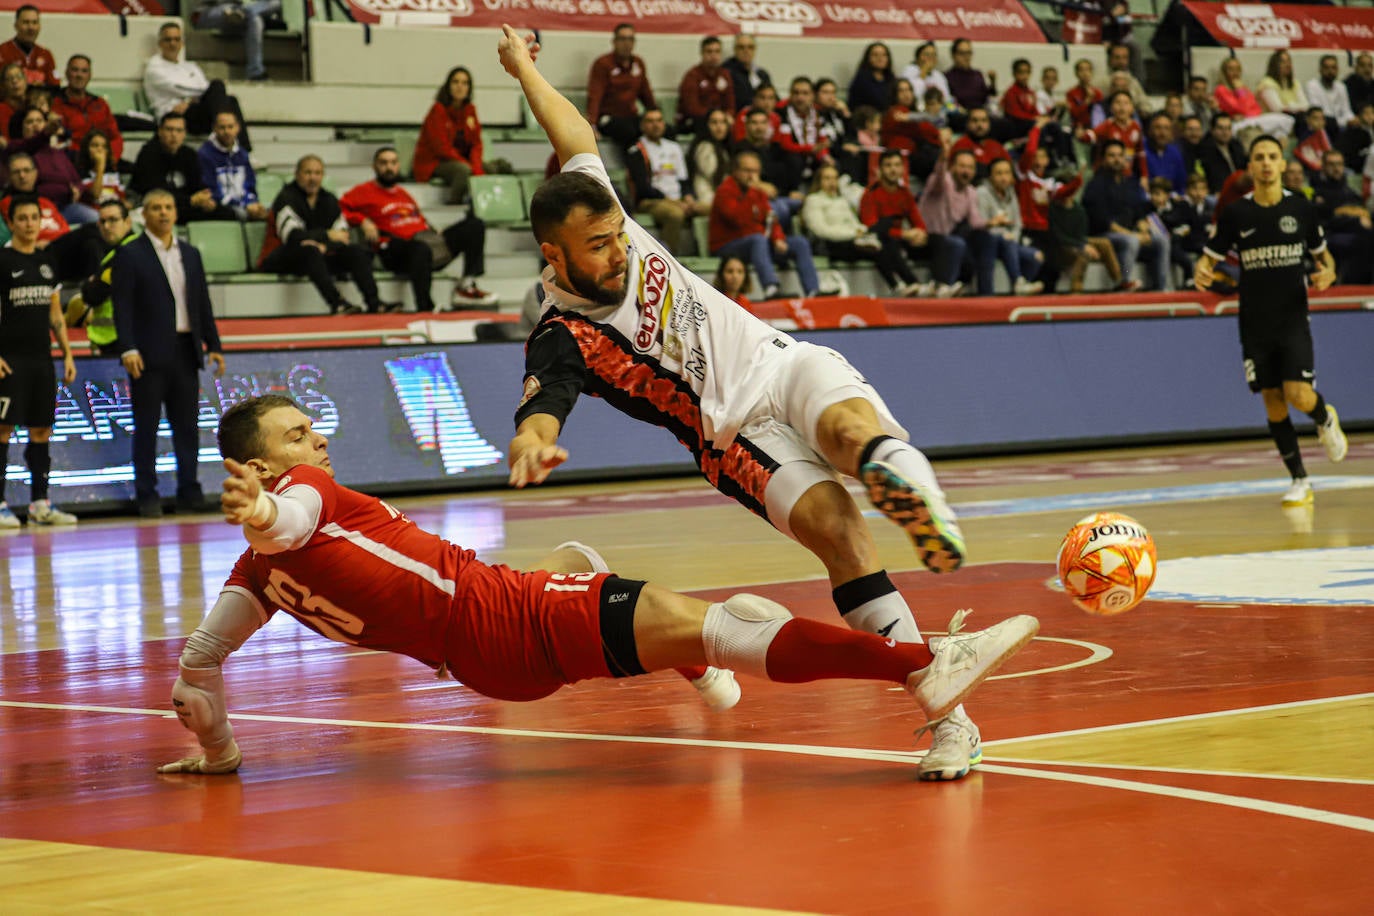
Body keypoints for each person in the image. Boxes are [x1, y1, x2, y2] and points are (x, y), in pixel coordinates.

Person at [499, 26, 985, 781]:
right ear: (553, 255)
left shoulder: (602, 209)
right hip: (733, 437)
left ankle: (916, 493)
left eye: (618, 237)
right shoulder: (563, 338)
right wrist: (533, 440)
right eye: (598, 248)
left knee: (848, 428)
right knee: (842, 536)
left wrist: (524, 68)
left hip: (777, 361)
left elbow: (574, 131)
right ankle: (949, 716)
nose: (619, 253)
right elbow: (542, 408)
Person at [156, 393, 1039, 775]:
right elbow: (291, 519)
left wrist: (220, 753)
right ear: (259, 466)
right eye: (297, 435)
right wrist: (263, 509)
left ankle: (680, 649)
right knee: (724, 626)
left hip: (484, 666)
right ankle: (924, 666)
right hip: (506, 617)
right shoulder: (302, 496)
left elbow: (198, 667)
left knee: (680, 624)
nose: (317, 443)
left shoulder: (255, 575)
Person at [1195, 134, 1347, 509]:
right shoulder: (1237, 213)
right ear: (1250, 167)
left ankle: (1324, 417)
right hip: (1254, 322)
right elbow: (1209, 257)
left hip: (1292, 318)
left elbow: (1324, 258)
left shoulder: (1301, 208)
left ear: (1282, 164)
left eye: (1272, 157)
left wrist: (1328, 273)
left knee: (1298, 394)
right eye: (1259, 157)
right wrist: (1202, 270)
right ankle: (1299, 480)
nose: (1266, 163)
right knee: (1273, 402)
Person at [111, 189, 227, 518]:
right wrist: (128, 347)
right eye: (156, 208)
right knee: (147, 426)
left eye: (168, 207)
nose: (163, 213)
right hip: (147, 353)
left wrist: (214, 344)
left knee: (187, 427)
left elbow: (201, 302)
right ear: (144, 214)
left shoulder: (190, 253)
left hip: (186, 350)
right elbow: (122, 306)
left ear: (176, 213)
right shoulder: (130, 254)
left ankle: (189, 491)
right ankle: (146, 494)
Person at [340, 146, 496, 312]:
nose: (389, 167)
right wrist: (363, 221)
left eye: (393, 163)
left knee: (474, 225)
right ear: (374, 167)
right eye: (383, 163)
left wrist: (431, 230)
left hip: (426, 243)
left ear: (398, 166)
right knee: (420, 248)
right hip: (394, 249)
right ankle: (425, 306)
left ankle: (466, 286)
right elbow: (340, 209)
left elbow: (416, 217)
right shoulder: (363, 191)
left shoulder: (403, 193)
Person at [0, 196, 77, 529]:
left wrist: (67, 353)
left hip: (41, 360)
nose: (30, 223)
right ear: (11, 223)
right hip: (10, 361)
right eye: (23, 218)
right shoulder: (3, 260)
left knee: (42, 429)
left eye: (34, 217)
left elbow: (56, 314)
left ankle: (40, 504)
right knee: (3, 429)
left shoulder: (47, 261)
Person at [259, 154, 398, 316]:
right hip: (283, 257)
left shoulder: (329, 199)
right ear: (297, 174)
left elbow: (343, 236)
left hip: (319, 256)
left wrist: (325, 245)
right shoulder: (286, 197)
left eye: (317, 173)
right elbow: (292, 237)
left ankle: (375, 303)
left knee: (356, 251)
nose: (313, 178)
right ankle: (337, 303)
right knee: (309, 250)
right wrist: (326, 235)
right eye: (308, 173)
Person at [708, 148, 822, 299]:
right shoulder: (725, 191)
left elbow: (770, 218)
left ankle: (813, 291)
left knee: (800, 243)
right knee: (758, 239)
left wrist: (778, 238)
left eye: (755, 171)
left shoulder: (757, 192)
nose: (752, 176)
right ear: (735, 171)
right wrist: (752, 192)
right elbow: (738, 220)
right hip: (727, 245)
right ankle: (771, 288)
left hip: (757, 244)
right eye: (747, 171)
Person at [143, 21, 253, 151]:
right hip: (174, 117)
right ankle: (229, 140)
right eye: (168, 40)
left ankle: (243, 151)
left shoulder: (190, 67)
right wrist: (193, 99)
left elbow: (205, 91)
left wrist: (188, 101)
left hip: (194, 112)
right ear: (160, 43)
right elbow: (185, 89)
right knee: (217, 85)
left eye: (177, 39)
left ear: (182, 43)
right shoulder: (154, 68)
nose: (172, 43)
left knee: (230, 100)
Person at [857, 151, 954, 298]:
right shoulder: (870, 194)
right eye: (888, 165)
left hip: (902, 240)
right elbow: (872, 230)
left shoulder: (904, 193)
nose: (893, 169)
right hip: (885, 242)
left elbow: (917, 221)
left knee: (939, 241)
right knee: (887, 240)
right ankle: (913, 283)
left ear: (903, 169)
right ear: (880, 169)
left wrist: (919, 233)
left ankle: (940, 285)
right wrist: (903, 234)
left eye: (897, 165)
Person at [1082, 138, 1169, 291]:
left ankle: (1160, 287)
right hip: (1104, 235)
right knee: (1131, 241)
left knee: (1160, 240)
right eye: (1112, 156)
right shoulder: (1095, 185)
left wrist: (1143, 227)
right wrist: (1131, 234)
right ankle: (1124, 281)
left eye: (1120, 155)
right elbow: (1101, 220)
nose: (1117, 160)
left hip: (1129, 233)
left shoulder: (1130, 183)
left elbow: (1138, 210)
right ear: (1103, 159)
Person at [625, 107, 702, 255]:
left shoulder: (674, 147)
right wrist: (673, 202)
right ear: (642, 126)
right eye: (650, 121)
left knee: (709, 208)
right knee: (675, 214)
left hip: (678, 199)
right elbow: (643, 188)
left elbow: (684, 179)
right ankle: (668, 258)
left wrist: (688, 197)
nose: (656, 125)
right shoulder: (637, 149)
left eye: (659, 120)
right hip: (651, 201)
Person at [130, 112, 233, 223]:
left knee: (227, 214)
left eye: (179, 130)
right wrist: (190, 200)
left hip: (186, 206)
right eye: (169, 130)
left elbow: (198, 184)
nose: (174, 135)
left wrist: (205, 199)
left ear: (184, 134)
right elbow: (154, 190)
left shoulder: (189, 154)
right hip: (158, 206)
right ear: (160, 131)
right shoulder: (148, 154)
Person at [67, 198, 137, 356]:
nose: (106, 226)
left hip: (121, 340)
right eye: (102, 221)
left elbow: (93, 294)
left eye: (113, 220)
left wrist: (89, 284)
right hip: (114, 338)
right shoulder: (115, 253)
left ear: (127, 222)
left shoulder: (126, 254)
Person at [799, 162, 886, 289]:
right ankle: (897, 284)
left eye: (835, 178)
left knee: (885, 240)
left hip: (851, 241)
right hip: (828, 244)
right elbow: (821, 230)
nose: (832, 182)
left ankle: (899, 283)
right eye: (827, 178)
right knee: (873, 248)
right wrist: (853, 234)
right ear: (819, 181)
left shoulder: (842, 200)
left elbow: (854, 223)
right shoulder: (813, 200)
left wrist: (863, 231)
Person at [413, 66, 487, 205]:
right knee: (463, 171)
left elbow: (476, 144)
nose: (460, 86)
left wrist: (476, 166)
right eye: (455, 82)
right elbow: (441, 148)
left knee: (497, 167)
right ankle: (455, 205)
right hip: (435, 162)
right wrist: (469, 165)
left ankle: (486, 206)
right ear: (448, 86)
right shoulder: (438, 110)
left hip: (460, 160)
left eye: (465, 83)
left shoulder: (470, 110)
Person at [919, 138, 984, 293]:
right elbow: (939, 178)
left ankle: (967, 290)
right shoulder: (942, 182)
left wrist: (993, 223)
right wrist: (942, 159)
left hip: (945, 239)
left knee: (973, 247)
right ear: (952, 167)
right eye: (962, 166)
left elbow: (975, 221)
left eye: (970, 167)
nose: (966, 171)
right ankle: (943, 286)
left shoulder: (971, 192)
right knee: (956, 243)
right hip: (924, 237)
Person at [11, 106, 95, 226]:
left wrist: (78, 189)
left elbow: (77, 180)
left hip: (66, 207)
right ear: (21, 127)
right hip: (38, 209)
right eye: (30, 122)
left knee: (96, 219)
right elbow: (33, 143)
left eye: (39, 121)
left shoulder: (58, 153)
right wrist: (45, 134)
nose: (35, 125)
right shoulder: (20, 150)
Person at [975, 158, 1044, 296]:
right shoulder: (981, 192)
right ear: (990, 176)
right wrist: (1003, 234)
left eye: (1007, 173)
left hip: (1009, 244)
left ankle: (1020, 290)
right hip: (987, 242)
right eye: (999, 173)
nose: (1003, 178)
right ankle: (1018, 282)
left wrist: (1013, 237)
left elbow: (1017, 223)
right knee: (1006, 240)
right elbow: (982, 224)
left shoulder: (1011, 193)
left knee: (1036, 256)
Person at [1308, 148, 1373, 286]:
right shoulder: (1316, 191)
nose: (1336, 168)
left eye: (1339, 164)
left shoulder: (1349, 190)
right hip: (1330, 235)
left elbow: (1363, 211)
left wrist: (1348, 213)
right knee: (1362, 240)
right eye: (1331, 164)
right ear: (1323, 166)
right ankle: (1352, 284)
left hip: (1357, 233)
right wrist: (1355, 219)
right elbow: (1326, 218)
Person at [585, 23, 656, 151]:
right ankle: (636, 159)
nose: (626, 43)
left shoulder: (638, 63)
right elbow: (595, 96)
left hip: (631, 116)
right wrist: (592, 125)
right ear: (614, 41)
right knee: (628, 131)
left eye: (630, 39)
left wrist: (656, 115)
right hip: (608, 118)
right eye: (623, 39)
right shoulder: (603, 64)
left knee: (663, 129)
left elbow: (646, 93)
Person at [1047, 189, 1127, 293]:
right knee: (1084, 253)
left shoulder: (1079, 210)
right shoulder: (1053, 210)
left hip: (1077, 241)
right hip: (1061, 246)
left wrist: (1084, 244)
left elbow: (1081, 235)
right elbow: (1057, 236)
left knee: (1105, 243)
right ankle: (1076, 289)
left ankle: (1119, 281)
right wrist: (1083, 246)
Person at [51, 55, 124, 165]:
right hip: (71, 160)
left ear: (90, 75)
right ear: (66, 73)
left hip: (103, 159)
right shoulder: (55, 104)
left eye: (84, 71)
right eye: (75, 70)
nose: (79, 75)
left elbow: (115, 137)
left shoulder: (100, 104)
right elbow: (57, 141)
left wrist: (112, 157)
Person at [189, 0, 284, 83]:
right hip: (208, 12)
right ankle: (245, 11)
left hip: (237, 11)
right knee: (252, 15)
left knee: (267, 9)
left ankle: (255, 73)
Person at [197, 110, 266, 223]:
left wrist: (252, 203)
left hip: (244, 206)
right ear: (214, 129)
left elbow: (250, 186)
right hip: (222, 209)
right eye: (222, 127)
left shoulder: (243, 154)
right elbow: (211, 191)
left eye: (230, 127)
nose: (227, 131)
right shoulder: (205, 155)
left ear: (238, 128)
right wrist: (245, 206)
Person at [1214, 57, 1292, 142]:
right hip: (1235, 124)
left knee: (1280, 132)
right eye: (1231, 69)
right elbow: (1242, 108)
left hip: (1251, 119)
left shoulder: (1242, 87)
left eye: (1238, 69)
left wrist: (1246, 111)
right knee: (1286, 120)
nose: (1235, 73)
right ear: (1224, 72)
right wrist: (1240, 91)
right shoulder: (1221, 89)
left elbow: (1256, 108)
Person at [676, 36, 734, 138]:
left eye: (717, 51)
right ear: (702, 53)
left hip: (719, 120)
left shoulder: (725, 74)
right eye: (709, 52)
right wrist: (716, 117)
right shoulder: (692, 75)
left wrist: (726, 116)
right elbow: (692, 108)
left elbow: (730, 104)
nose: (713, 55)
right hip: (694, 122)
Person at [687, 109, 732, 211]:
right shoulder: (704, 147)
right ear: (706, 125)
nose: (719, 127)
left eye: (723, 122)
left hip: (720, 196)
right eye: (714, 122)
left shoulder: (724, 147)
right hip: (707, 197)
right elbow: (716, 176)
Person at [0, 5, 54, 89]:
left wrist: (42, 88)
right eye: (26, 22)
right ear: (16, 25)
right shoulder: (2, 52)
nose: (31, 27)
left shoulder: (46, 55)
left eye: (34, 22)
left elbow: (54, 86)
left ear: (39, 26)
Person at [1307, 54, 1355, 142]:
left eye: (1333, 68)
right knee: (1331, 124)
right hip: (1324, 125)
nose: (1330, 71)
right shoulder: (1312, 85)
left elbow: (1347, 111)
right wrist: (1343, 122)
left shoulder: (1341, 87)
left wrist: (1353, 119)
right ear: (1320, 70)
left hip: (1341, 125)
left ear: (1337, 70)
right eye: (1327, 68)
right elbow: (1318, 113)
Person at [723, 34, 771, 119]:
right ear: (735, 50)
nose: (746, 51)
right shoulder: (726, 72)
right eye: (741, 47)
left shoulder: (762, 74)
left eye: (750, 47)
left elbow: (773, 98)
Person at [1198, 113, 1248, 194]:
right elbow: (1214, 177)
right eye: (1221, 128)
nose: (1225, 132)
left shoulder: (1236, 145)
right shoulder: (1205, 149)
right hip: (1219, 192)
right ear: (1212, 130)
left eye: (1228, 128)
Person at [75, 130, 124, 207]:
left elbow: (121, 197)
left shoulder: (113, 172)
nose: (100, 149)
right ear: (86, 149)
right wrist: (100, 167)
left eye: (104, 147)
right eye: (95, 145)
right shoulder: (80, 172)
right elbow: (95, 195)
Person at [846, 42, 895, 113]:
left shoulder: (891, 79)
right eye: (875, 55)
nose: (880, 58)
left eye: (884, 55)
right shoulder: (861, 80)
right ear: (868, 58)